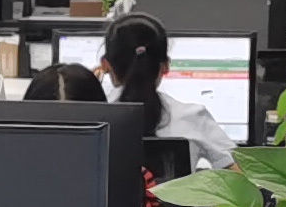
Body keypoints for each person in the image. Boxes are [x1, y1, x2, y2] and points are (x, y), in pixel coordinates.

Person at [101, 10, 236, 167]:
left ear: (105, 65)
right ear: (166, 66)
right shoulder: (192, 117)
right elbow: (244, 172)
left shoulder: (91, 120)